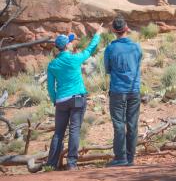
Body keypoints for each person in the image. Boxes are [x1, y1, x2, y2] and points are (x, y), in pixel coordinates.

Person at [46, 26, 102, 170]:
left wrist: (55, 100)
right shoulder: (74, 59)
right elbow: (90, 50)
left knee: (58, 132)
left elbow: (51, 88)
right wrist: (97, 35)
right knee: (74, 129)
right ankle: (71, 163)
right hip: (77, 97)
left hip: (61, 101)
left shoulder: (52, 64)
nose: (72, 43)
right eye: (70, 42)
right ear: (66, 45)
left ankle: (51, 164)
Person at [104, 16, 142, 166]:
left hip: (118, 90)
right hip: (134, 89)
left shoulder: (110, 48)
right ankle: (130, 157)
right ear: (126, 28)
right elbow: (138, 63)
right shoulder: (136, 47)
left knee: (119, 123)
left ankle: (120, 158)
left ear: (114, 30)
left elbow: (107, 69)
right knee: (132, 124)